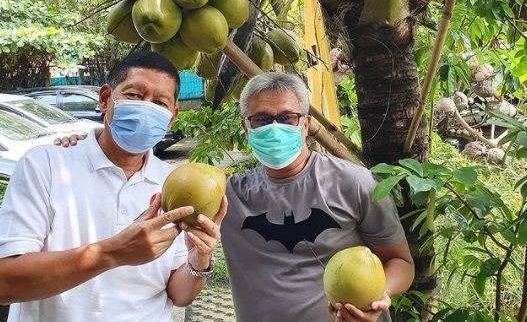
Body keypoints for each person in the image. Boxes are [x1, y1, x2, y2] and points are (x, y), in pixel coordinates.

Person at [0, 51, 226, 322]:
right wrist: (113, 253)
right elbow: (6, 283)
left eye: (160, 102)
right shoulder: (45, 166)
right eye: (133, 96)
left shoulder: (175, 184)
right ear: (105, 99)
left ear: (172, 116)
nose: (146, 108)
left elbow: (178, 294)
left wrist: (199, 258)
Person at [221, 72, 414, 322]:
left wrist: (378, 296)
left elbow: (401, 262)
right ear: (246, 127)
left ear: (306, 123)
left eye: (287, 117)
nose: (275, 127)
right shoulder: (230, 196)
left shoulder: (354, 184)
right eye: (261, 119)